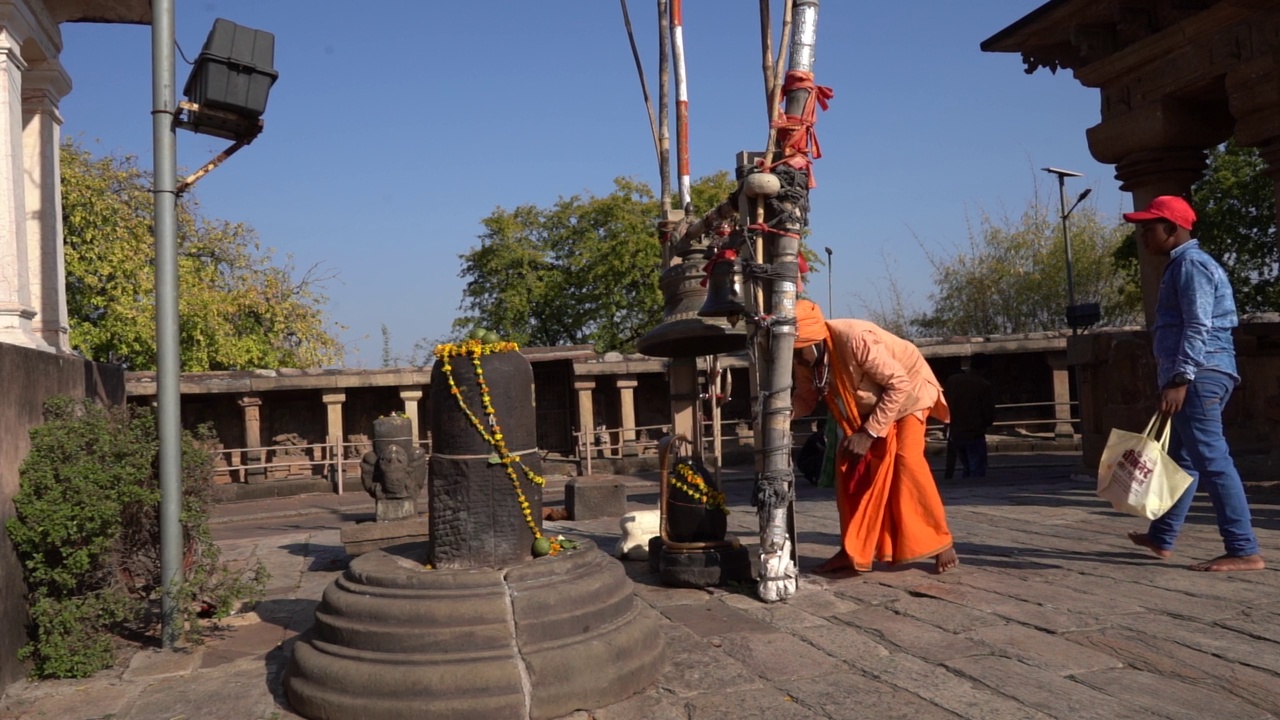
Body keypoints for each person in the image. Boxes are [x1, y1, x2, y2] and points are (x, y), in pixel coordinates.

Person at [1122, 195, 1265, 572]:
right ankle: (1162, 536)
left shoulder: (1191, 265)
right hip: (1199, 372)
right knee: (1185, 460)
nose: (1143, 237)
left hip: (1200, 374)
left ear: (1172, 228)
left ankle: (1243, 548)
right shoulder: (1182, 265)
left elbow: (1198, 325)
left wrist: (1181, 377)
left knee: (1213, 461)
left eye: (1148, 228)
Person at [791, 299, 958, 574]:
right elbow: (805, 397)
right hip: (869, 409)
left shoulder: (856, 339)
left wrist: (868, 434)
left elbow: (899, 384)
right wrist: (781, 414)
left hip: (910, 396)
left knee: (906, 461)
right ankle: (852, 549)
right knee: (849, 469)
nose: (796, 361)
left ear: (814, 340)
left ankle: (941, 542)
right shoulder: (804, 356)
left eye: (798, 354)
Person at [943, 353, 995, 479]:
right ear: (985, 368)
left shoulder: (953, 381)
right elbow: (988, 412)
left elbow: (946, 404)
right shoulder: (983, 385)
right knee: (977, 468)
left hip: (955, 432)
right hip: (974, 432)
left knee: (966, 466)